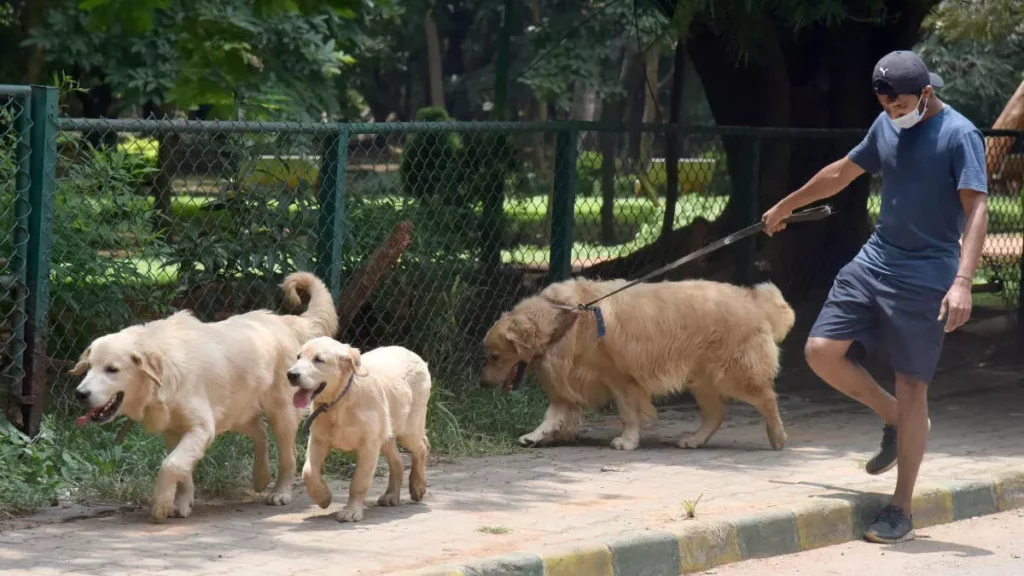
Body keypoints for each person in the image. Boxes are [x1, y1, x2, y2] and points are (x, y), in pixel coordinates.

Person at [762, 50, 989, 544]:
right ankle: (896, 419)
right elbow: (842, 172)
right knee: (821, 352)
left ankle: (901, 508)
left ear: (926, 93)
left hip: (928, 274)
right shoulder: (887, 124)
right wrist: (785, 205)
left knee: (913, 386)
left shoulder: (959, 134)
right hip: (876, 260)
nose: (893, 113)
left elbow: (976, 211)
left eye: (901, 104)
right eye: (885, 105)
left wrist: (963, 282)